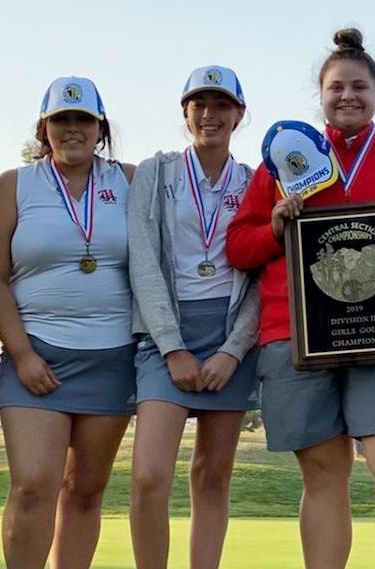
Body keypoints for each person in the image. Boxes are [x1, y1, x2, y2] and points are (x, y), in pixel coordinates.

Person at [226, 28, 375, 569]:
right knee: (324, 474)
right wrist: (275, 227)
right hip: (296, 336)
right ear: (321, 95)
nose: (347, 96)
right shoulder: (282, 162)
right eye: (335, 87)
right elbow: (238, 246)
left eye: (359, 86)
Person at [0, 76, 136, 569]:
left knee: (86, 490)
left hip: (112, 358)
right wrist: (22, 353)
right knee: (32, 484)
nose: (73, 129)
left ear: (100, 127)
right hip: (37, 354)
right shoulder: (14, 185)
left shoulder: (130, 180)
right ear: (43, 128)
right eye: (61, 120)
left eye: (83, 119)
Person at [128, 65, 260, 569]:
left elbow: (265, 275)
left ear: (239, 115)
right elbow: (142, 258)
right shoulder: (156, 172)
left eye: (222, 105)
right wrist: (171, 345)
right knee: (148, 475)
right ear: (184, 113)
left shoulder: (253, 181)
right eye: (200, 104)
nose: (210, 115)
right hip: (167, 337)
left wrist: (232, 350)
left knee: (211, 475)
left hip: (230, 340)